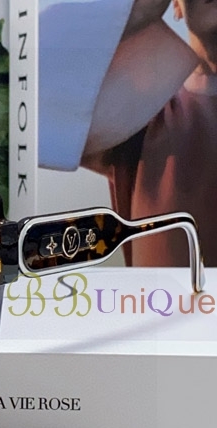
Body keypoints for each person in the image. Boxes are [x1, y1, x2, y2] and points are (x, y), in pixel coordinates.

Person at [41, 0, 216, 267]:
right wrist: (139, 9)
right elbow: (23, 92)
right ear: (176, 7)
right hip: (164, 296)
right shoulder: (140, 114)